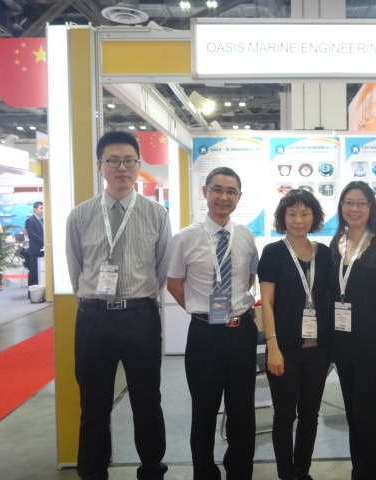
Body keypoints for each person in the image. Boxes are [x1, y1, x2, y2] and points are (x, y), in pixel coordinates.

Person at [65, 131, 171, 480]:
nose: (121, 168)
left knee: (147, 400)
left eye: (128, 161)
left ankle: (152, 470)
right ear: (100, 166)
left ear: (138, 165)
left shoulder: (157, 214)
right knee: (93, 404)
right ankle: (93, 473)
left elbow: (161, 267)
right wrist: (95, 298)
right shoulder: (80, 215)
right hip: (93, 318)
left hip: (140, 315)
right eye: (113, 161)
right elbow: (76, 269)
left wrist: (138, 299)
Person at [167, 166, 259, 480]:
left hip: (242, 332)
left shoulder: (245, 236)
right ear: (205, 192)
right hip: (204, 335)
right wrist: (200, 313)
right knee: (204, 410)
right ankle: (205, 473)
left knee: (242, 410)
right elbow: (174, 283)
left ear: (239, 197)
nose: (223, 197)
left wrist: (232, 308)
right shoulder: (185, 237)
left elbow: (249, 278)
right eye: (217, 189)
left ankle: (239, 471)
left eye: (231, 191)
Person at [329, 181, 376, 480]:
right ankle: (360, 473)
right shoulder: (336, 243)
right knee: (353, 415)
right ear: (341, 207)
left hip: (374, 345)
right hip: (343, 344)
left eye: (361, 203)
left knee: (367, 416)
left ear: (371, 207)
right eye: (349, 202)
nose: (355, 209)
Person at [258, 188, 332, 480]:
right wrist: (273, 347)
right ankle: (286, 473)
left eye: (304, 213)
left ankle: (303, 470)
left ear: (314, 217)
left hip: (319, 350)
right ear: (283, 217)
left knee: (310, 415)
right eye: (292, 214)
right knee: (284, 416)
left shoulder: (324, 254)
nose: (298, 220)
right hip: (284, 348)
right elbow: (267, 303)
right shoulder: (273, 253)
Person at [25, 201, 45, 290]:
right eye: (41, 208)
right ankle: (32, 292)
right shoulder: (30, 220)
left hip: (43, 250)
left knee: (41, 272)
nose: (43, 210)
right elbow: (33, 235)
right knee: (34, 272)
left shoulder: (42, 220)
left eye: (43, 208)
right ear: (35, 209)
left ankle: (41, 291)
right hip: (35, 250)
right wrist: (45, 242)